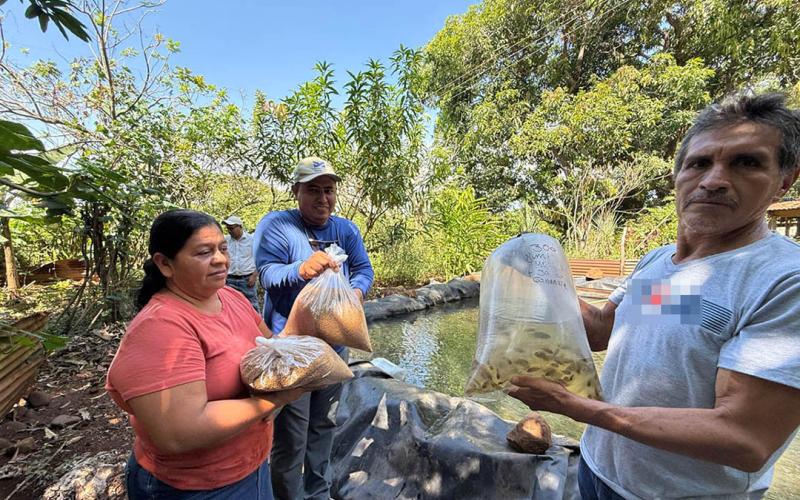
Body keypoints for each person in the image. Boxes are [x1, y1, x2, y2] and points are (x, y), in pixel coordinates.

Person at [509, 92, 800, 499]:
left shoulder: (784, 280)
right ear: (678, 176)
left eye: (746, 163)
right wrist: (543, 277)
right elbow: (602, 332)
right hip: (597, 472)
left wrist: (577, 407)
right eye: (699, 163)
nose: (714, 180)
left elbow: (745, 439)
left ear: (784, 181)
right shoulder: (660, 263)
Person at [106, 209, 303, 499]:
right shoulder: (161, 328)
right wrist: (273, 401)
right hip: (195, 487)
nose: (221, 259)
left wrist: (310, 313)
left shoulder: (230, 297)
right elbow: (180, 432)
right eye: (203, 252)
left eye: (222, 248)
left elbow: (271, 347)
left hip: (252, 466)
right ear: (165, 264)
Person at [253, 156, 374, 500]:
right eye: (314, 191)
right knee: (292, 435)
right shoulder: (277, 226)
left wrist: (356, 292)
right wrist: (301, 270)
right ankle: (289, 495)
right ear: (296, 192)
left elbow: (364, 270)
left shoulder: (346, 230)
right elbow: (267, 275)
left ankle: (318, 493)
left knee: (324, 426)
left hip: (333, 350)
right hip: (292, 350)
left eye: (329, 191)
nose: (323, 199)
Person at [222, 214, 260, 311]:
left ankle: (256, 326)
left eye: (232, 228)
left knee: (252, 306)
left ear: (240, 227)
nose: (229, 231)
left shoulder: (252, 240)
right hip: (229, 279)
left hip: (247, 279)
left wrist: (254, 276)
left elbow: (260, 259)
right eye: (228, 229)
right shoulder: (225, 241)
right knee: (231, 307)